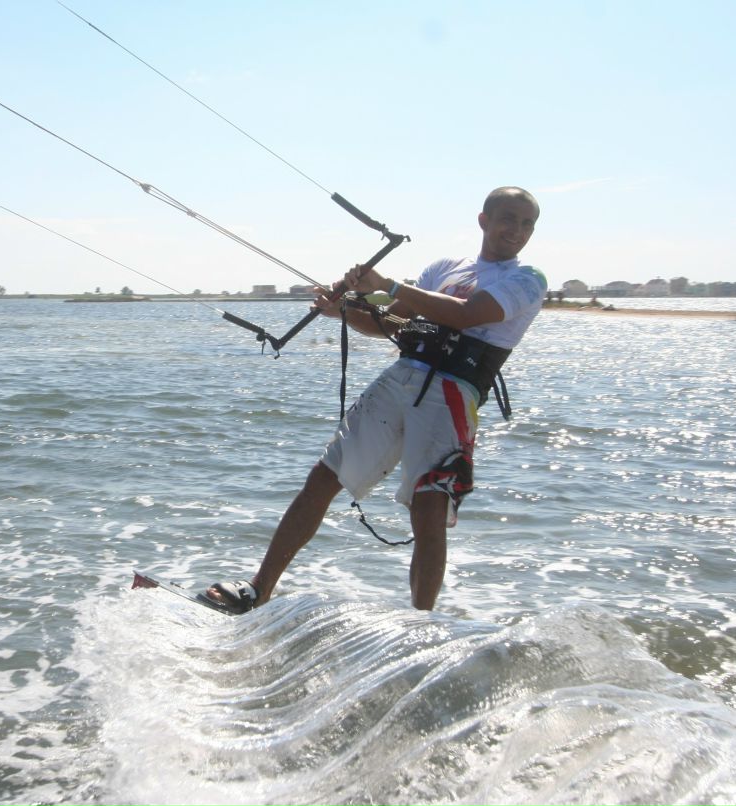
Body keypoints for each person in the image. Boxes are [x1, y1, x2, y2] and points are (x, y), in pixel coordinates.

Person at [205, 187, 545, 612]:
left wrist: (387, 284)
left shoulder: (528, 279)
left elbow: (465, 315)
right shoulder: (445, 267)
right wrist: (344, 308)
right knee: (323, 478)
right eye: (508, 218)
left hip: (452, 394)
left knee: (428, 507)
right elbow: (396, 323)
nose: (517, 230)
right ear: (484, 220)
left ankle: (420, 622)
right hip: (401, 377)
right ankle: (259, 590)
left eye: (527, 223)